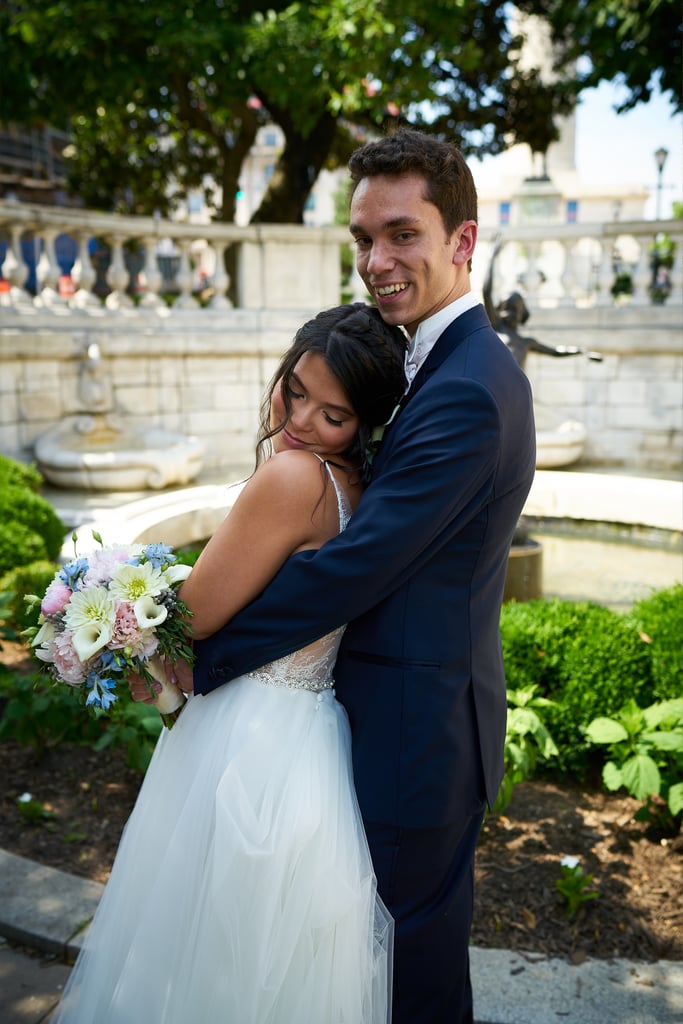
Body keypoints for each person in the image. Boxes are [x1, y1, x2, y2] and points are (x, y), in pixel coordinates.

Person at [191, 128, 537, 1023]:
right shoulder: (431, 363)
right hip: (399, 729)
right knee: (378, 974)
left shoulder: (464, 385)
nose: (376, 261)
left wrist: (195, 647)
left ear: (461, 242)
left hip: (414, 743)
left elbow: (355, 567)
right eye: (361, 239)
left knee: (408, 984)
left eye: (402, 234)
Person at [51, 303, 408, 1024]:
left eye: (331, 414)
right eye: (295, 389)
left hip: (245, 743)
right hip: (308, 742)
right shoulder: (352, 489)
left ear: (363, 424)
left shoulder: (291, 479)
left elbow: (191, 619)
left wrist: (112, 603)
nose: (302, 419)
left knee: (194, 959)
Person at [483, 235, 602, 370]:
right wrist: (492, 256)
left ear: (521, 316)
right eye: (506, 308)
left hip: (515, 389)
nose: (509, 313)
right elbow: (486, 291)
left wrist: (581, 351)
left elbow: (556, 351)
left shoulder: (526, 343)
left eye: (514, 310)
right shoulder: (496, 327)